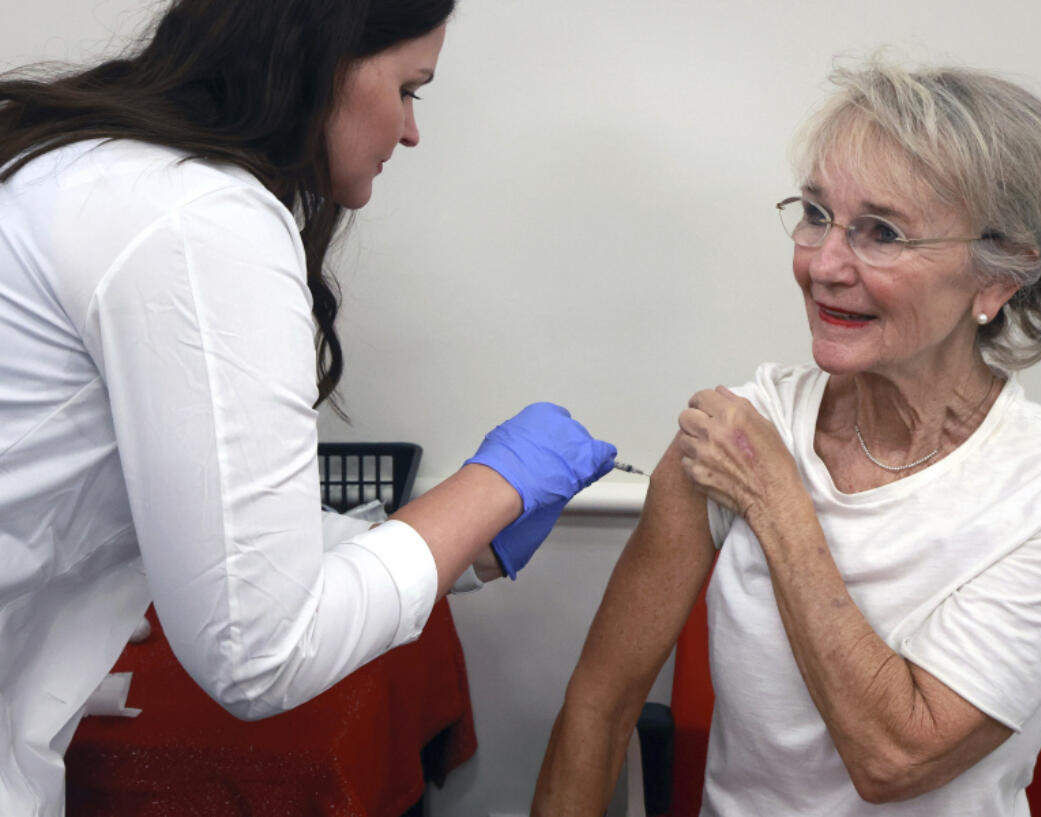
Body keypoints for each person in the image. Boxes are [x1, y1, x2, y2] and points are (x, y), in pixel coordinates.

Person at [0, 1, 616, 813]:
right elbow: (258, 650)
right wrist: (494, 484)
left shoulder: (101, 171)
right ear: (324, 59)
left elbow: (236, 535)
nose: (409, 131)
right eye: (409, 90)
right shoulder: (198, 220)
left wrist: (458, 547)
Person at [532, 60, 1041, 817]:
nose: (823, 265)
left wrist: (780, 500)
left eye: (881, 232)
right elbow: (600, 704)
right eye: (816, 214)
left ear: (996, 279)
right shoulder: (742, 429)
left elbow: (893, 757)